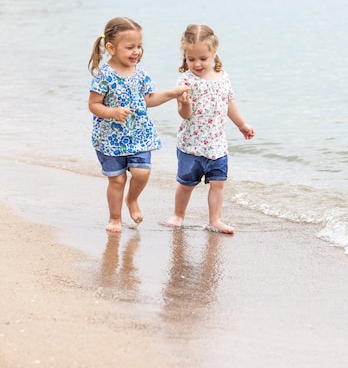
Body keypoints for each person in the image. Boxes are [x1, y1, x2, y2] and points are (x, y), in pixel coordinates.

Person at [88, 16, 188, 233]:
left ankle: (132, 200)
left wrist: (171, 94)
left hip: (139, 135)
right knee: (117, 180)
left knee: (142, 173)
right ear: (111, 48)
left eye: (139, 46)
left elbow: (149, 99)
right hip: (110, 138)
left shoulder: (140, 74)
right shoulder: (104, 75)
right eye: (130, 47)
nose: (137, 52)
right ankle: (115, 218)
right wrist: (113, 112)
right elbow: (94, 105)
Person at [167, 24, 255, 234]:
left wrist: (242, 124)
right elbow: (184, 114)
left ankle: (215, 220)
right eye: (191, 59)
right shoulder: (186, 81)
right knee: (187, 184)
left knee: (218, 184)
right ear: (185, 56)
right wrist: (186, 103)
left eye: (203, 58)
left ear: (214, 53)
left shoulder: (223, 76)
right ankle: (178, 214)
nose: (197, 64)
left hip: (217, 144)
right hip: (191, 145)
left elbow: (229, 104)